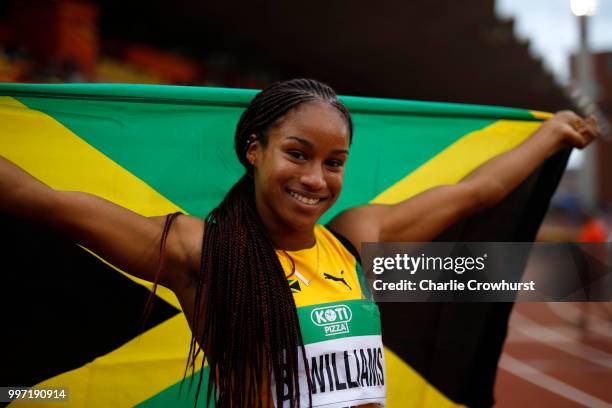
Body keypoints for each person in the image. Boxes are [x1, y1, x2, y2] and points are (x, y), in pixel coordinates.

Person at [0, 79, 599, 408]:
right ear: (254, 149)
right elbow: (40, 200)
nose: (317, 179)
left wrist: (551, 134)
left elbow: (477, 192)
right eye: (297, 153)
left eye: (334, 162)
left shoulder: (358, 238)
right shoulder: (202, 252)